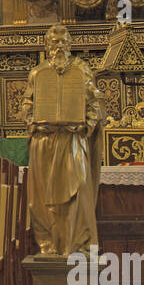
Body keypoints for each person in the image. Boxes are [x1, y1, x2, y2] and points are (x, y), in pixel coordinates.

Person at [20, 24, 104, 255]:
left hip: (72, 140)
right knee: (42, 199)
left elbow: (95, 105)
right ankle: (49, 247)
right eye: (54, 42)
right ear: (46, 46)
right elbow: (26, 106)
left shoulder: (83, 71)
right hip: (44, 142)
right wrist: (34, 122)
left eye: (63, 42)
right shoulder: (37, 73)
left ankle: (77, 246)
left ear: (70, 44)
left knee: (78, 194)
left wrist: (85, 123)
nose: (58, 46)